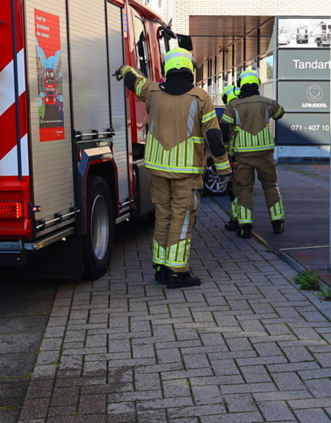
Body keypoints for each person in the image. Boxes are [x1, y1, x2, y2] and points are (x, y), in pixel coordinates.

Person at [116, 48, 231, 288]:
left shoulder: (152, 91)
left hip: (158, 170)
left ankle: (160, 266)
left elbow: (132, 80)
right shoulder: (201, 97)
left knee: (164, 216)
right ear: (190, 69)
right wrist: (224, 169)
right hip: (186, 173)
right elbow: (214, 136)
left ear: (167, 69)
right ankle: (178, 271)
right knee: (183, 218)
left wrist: (123, 69)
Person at [222, 70, 286, 238]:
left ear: (240, 85)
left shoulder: (233, 105)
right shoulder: (268, 102)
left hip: (243, 155)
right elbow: (280, 114)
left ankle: (245, 226)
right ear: (257, 84)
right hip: (265, 154)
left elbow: (223, 128)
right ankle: (277, 222)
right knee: (271, 186)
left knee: (244, 189)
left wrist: (226, 147)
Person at [220, 84, 242, 232]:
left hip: (236, 156)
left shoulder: (231, 110)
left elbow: (225, 130)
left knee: (234, 189)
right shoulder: (246, 109)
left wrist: (225, 149)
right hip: (247, 155)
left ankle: (237, 219)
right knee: (242, 189)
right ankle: (241, 218)